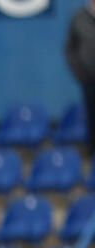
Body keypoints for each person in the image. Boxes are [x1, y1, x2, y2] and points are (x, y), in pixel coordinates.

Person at [65, 1, 95, 155]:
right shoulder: (78, 17)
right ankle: (92, 152)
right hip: (89, 80)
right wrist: (80, 73)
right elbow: (70, 49)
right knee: (91, 115)